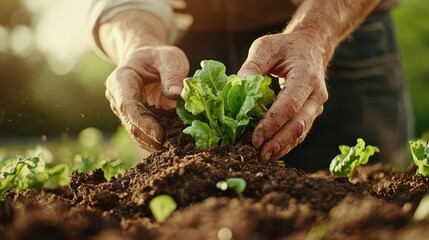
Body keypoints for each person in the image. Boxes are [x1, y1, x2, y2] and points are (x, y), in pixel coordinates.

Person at [89, 0, 414, 172]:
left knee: (356, 208)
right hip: (183, 40)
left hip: (334, 22)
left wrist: (315, 34)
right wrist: (136, 42)